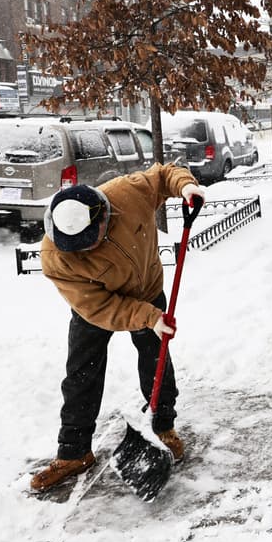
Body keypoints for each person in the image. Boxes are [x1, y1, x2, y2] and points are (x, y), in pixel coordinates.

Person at [29, 163, 207, 493]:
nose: (82, 251)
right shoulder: (56, 256)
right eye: (75, 246)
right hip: (96, 307)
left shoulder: (127, 193)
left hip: (148, 289)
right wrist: (147, 317)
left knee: (156, 359)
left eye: (87, 242)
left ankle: (163, 426)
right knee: (82, 372)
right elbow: (99, 307)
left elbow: (165, 175)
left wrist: (185, 187)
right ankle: (73, 452)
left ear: (104, 217)